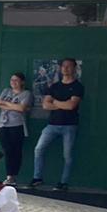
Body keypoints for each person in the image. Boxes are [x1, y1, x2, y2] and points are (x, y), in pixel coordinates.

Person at [29, 57, 84, 191]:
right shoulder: (54, 86)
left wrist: (55, 102)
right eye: (63, 66)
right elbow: (45, 105)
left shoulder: (77, 86)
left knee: (67, 155)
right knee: (38, 149)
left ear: (74, 68)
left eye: (69, 66)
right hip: (52, 124)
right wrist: (62, 104)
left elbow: (71, 105)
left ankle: (63, 182)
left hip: (70, 125)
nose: (65, 68)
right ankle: (37, 177)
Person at [0, 73, 33, 184]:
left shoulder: (26, 93)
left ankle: (12, 176)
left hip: (17, 125)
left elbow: (21, 108)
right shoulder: (6, 91)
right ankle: (9, 175)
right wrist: (13, 106)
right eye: (12, 80)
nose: (13, 82)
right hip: (3, 124)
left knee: (16, 150)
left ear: (22, 82)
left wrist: (6, 104)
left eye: (16, 80)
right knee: (7, 150)